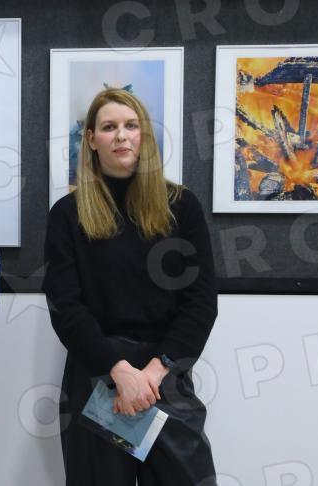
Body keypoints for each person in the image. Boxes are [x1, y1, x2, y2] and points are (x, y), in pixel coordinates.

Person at [42, 88, 218, 485]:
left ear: (144, 135)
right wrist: (119, 372)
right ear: (91, 139)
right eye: (109, 127)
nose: (121, 135)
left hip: (164, 378)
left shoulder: (182, 206)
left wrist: (151, 375)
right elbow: (66, 307)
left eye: (131, 125)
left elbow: (201, 303)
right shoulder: (67, 214)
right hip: (98, 379)